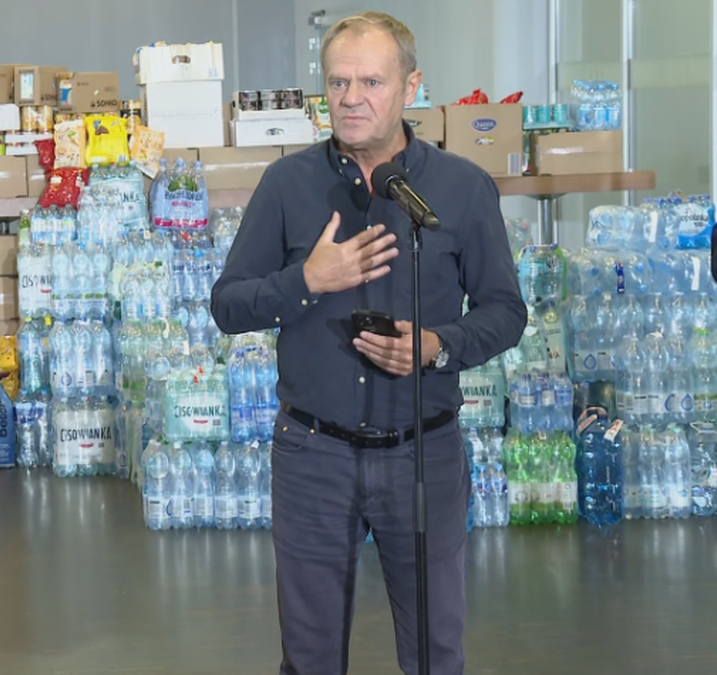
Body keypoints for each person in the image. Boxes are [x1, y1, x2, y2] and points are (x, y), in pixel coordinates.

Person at [211, 12, 526, 675]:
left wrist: (439, 344)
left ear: (411, 86)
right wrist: (307, 280)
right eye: (339, 82)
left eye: (371, 81)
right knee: (310, 657)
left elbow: (505, 311)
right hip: (312, 455)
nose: (352, 98)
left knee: (437, 654)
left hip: (425, 452)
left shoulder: (462, 189)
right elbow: (228, 303)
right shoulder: (287, 185)